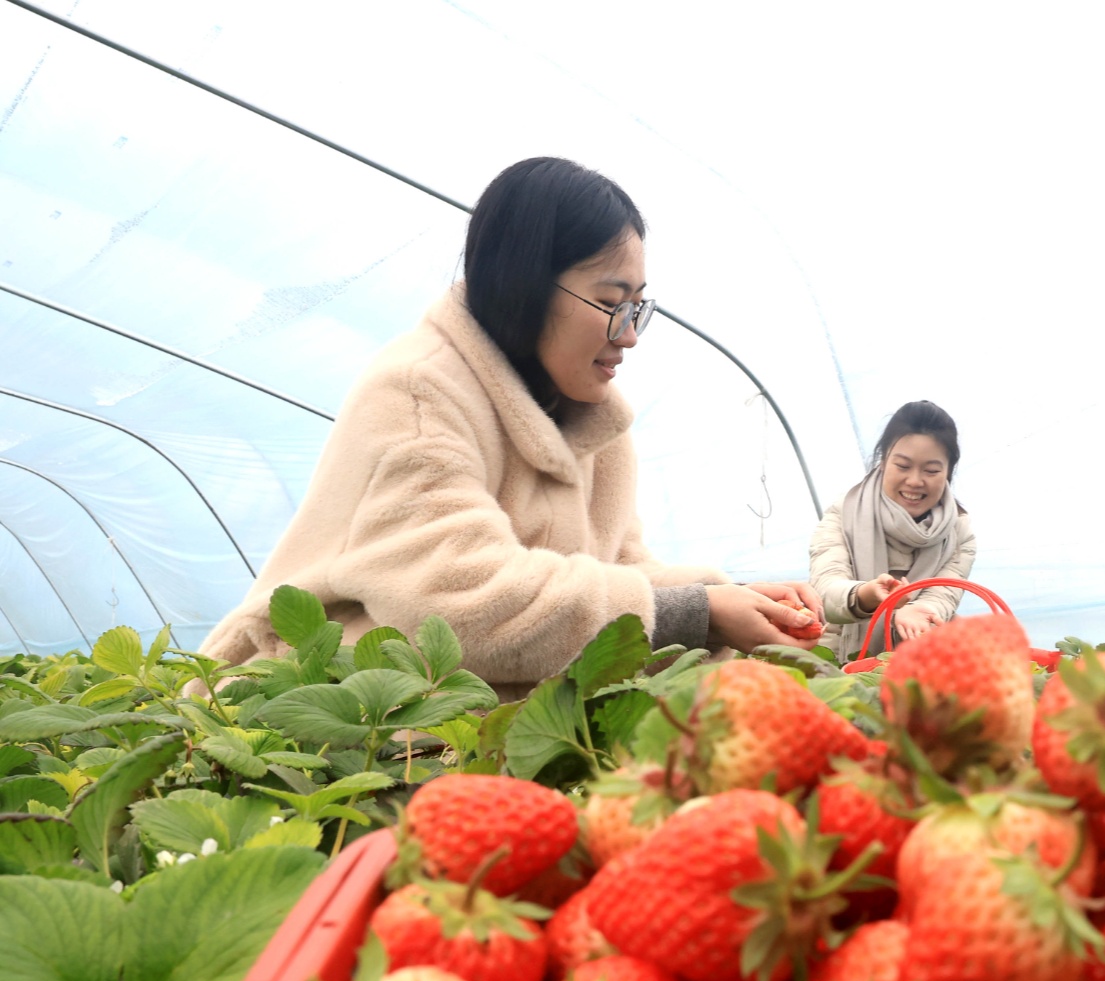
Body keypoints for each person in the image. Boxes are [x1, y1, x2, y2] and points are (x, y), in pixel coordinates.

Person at [197, 157, 819, 698]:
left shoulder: (592, 423)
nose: (629, 334)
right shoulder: (419, 392)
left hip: (466, 727)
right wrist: (700, 611)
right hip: (344, 719)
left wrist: (736, 599)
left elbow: (621, 571)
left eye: (638, 307)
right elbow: (459, 602)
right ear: (524, 285)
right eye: (610, 303)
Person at [809, 401, 976, 662]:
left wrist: (918, 610)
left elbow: (942, 596)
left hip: (918, 662)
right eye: (903, 466)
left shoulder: (959, 533)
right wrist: (865, 596)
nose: (914, 481)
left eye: (931, 470)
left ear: (948, 472)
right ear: (884, 460)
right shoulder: (844, 513)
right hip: (835, 660)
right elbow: (825, 589)